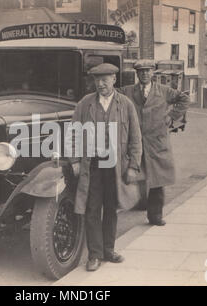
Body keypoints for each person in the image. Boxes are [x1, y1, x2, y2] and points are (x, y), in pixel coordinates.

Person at [68, 63, 143, 272]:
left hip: (116, 167)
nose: (100, 84)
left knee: (111, 208)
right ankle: (94, 255)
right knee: (92, 210)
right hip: (92, 165)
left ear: (114, 80)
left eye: (104, 80)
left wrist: (133, 167)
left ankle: (109, 250)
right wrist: (74, 160)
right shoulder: (85, 104)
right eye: (96, 80)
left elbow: (136, 138)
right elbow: (73, 133)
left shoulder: (126, 104)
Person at [120, 59, 190, 226]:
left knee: (157, 181)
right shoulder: (128, 91)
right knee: (135, 175)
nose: (144, 74)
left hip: (157, 142)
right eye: (141, 71)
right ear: (137, 74)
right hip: (136, 141)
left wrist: (171, 117)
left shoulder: (164, 91)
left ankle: (155, 216)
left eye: (148, 71)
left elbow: (184, 99)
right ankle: (135, 204)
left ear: (153, 73)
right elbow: (113, 96)